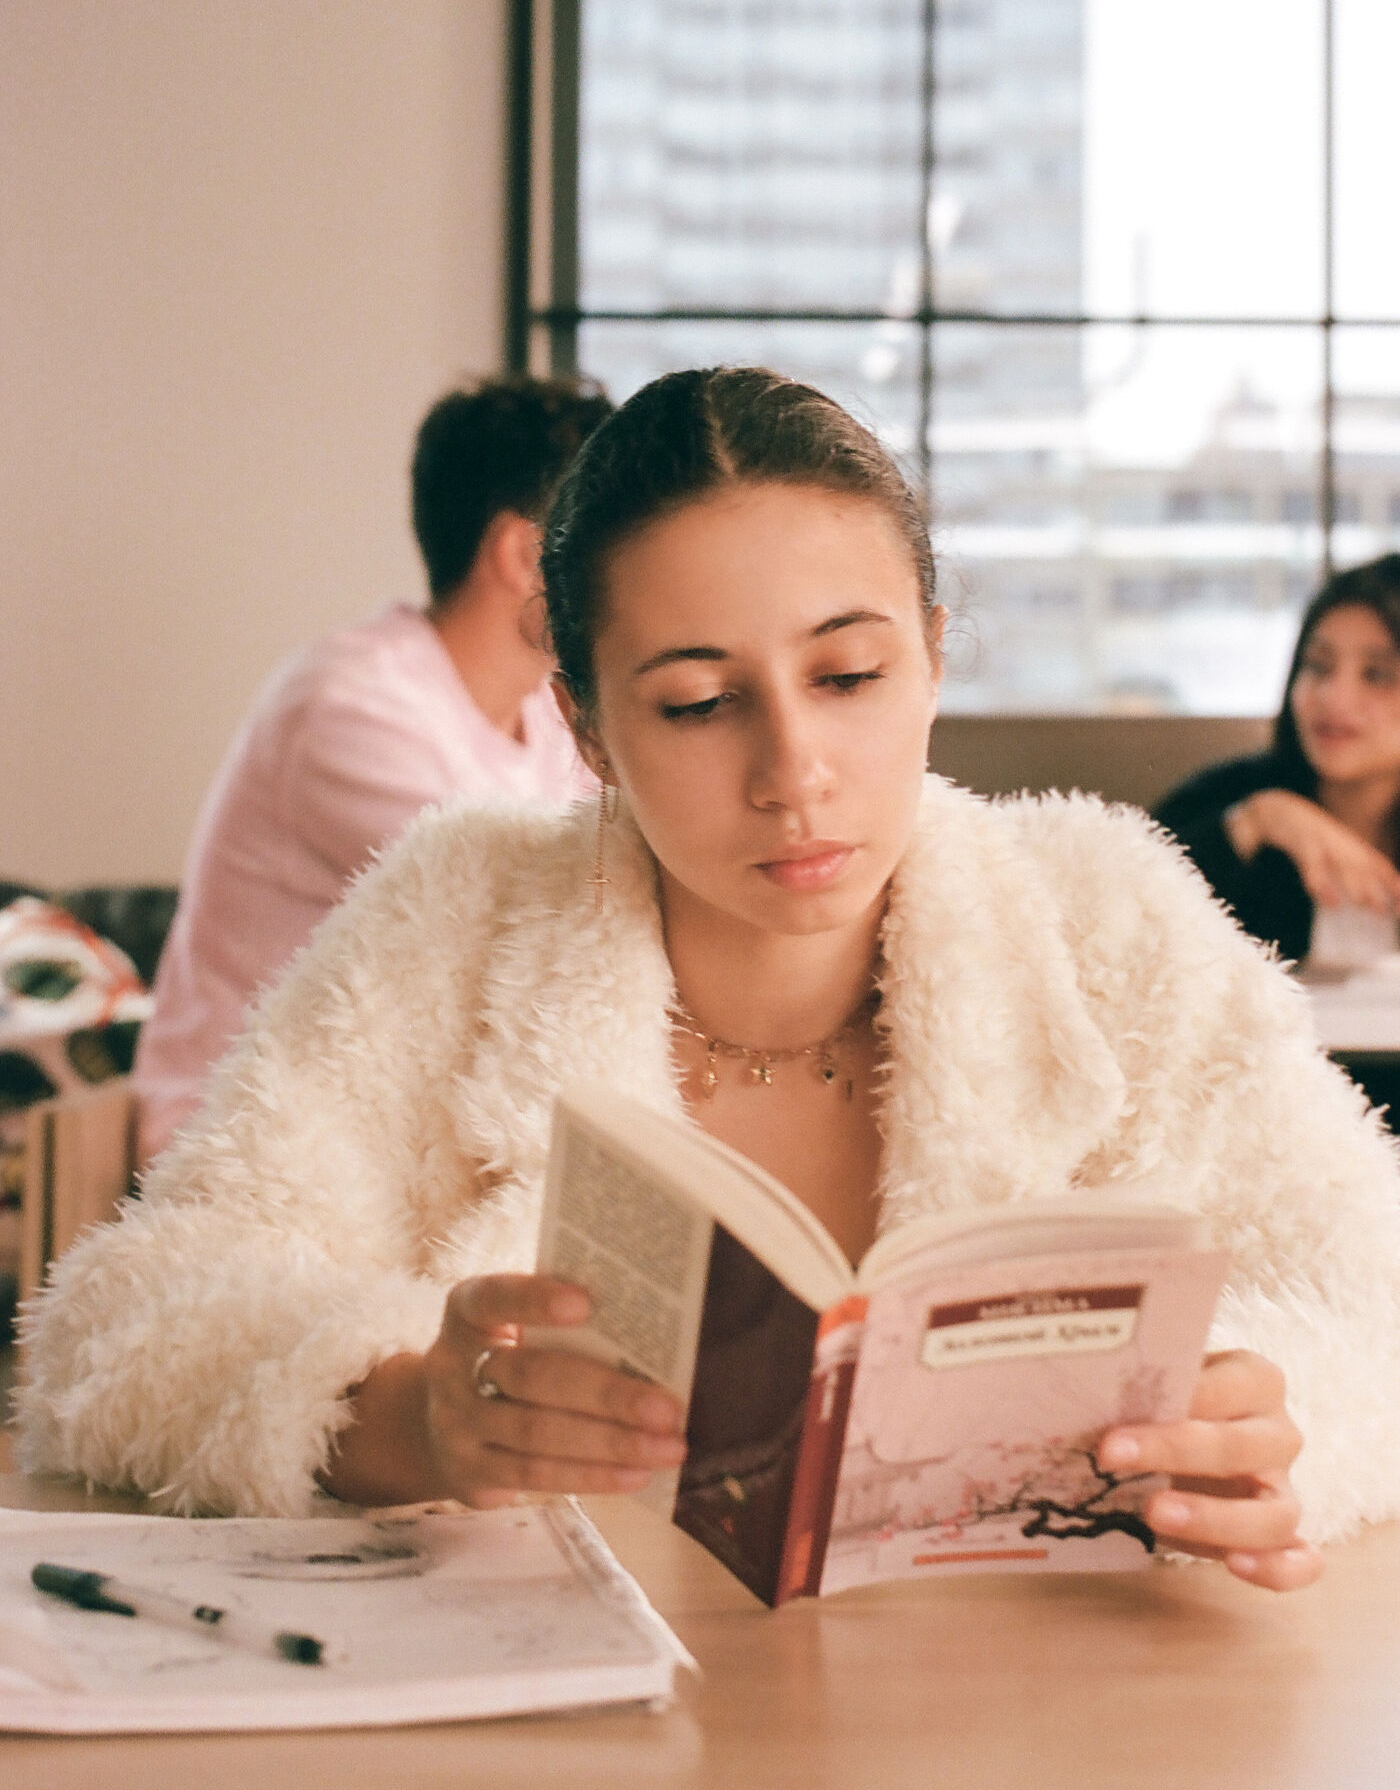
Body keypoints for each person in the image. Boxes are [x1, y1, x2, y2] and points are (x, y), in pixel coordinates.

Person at [19, 368, 1400, 1597]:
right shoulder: (455, 917)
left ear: (931, 654)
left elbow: (1374, 1299)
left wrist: (1277, 1426)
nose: (793, 770)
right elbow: (119, 1323)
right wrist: (398, 1413)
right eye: (696, 701)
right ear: (588, 726)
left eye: (850, 674)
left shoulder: (1107, 918)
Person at [130, 377, 608, 1164]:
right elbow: (521, 928)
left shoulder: (552, 714)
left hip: (391, 1118)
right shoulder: (350, 708)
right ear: (526, 556)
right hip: (243, 1138)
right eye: (608, 541)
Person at [1154, 556, 1400, 967]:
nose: (1332, 697)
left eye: (1376, 674)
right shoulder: (1232, 796)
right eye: (1318, 666)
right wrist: (1252, 824)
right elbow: (1116, 911)